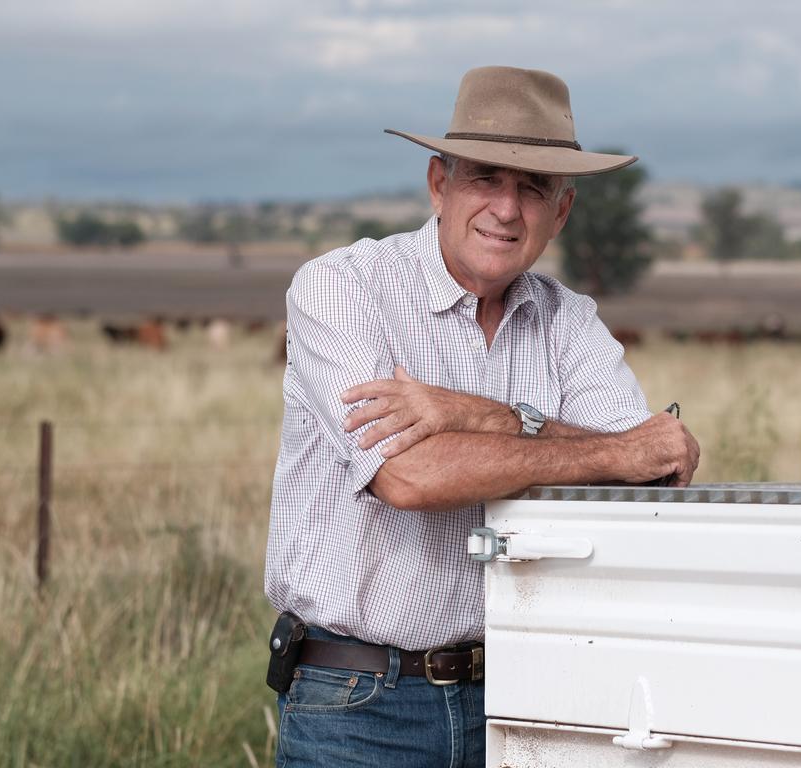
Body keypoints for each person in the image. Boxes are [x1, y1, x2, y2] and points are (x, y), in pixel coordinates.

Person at [265, 65, 700, 768]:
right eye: (486, 178)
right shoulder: (344, 288)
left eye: (534, 189)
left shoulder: (570, 322)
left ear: (561, 213)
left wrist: (482, 416)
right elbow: (407, 477)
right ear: (439, 184)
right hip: (359, 700)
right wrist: (605, 452)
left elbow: (652, 470)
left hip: (527, 693)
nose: (507, 208)